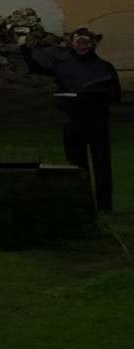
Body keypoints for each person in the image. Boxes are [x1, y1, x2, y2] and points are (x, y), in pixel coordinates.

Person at [22, 28, 119, 213]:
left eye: (86, 42)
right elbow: (36, 68)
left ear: (93, 44)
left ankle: (105, 206)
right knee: (75, 164)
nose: (81, 46)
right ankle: (81, 202)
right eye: (78, 42)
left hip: (97, 122)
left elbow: (115, 95)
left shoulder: (105, 66)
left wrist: (94, 95)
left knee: (102, 164)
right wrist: (24, 48)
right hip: (72, 121)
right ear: (71, 44)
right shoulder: (63, 65)